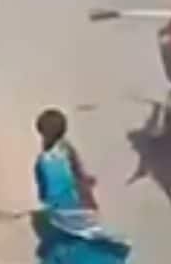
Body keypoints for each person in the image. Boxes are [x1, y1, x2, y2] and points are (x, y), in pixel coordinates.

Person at [32, 108, 131, 264]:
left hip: (64, 213)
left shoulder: (43, 161)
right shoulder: (67, 147)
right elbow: (80, 172)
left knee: (65, 247)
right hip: (86, 205)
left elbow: (44, 194)